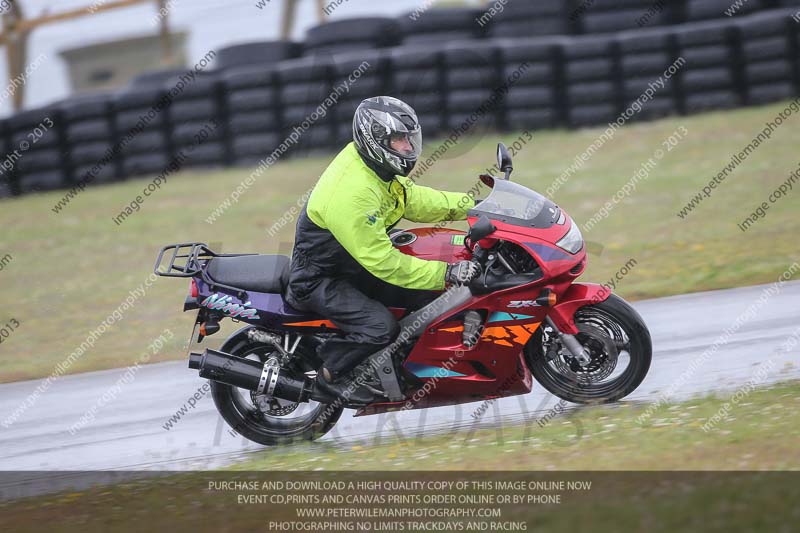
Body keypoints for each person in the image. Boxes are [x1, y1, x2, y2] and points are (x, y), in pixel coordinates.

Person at [285, 96, 480, 402]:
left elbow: (413, 200)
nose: (407, 147)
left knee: (427, 296)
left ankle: (410, 368)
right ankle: (327, 376)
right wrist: (447, 272)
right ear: (375, 140)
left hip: (352, 264)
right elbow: (382, 262)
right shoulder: (355, 193)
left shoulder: (375, 168)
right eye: (399, 139)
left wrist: (474, 207)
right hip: (322, 278)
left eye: (408, 138)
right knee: (380, 328)